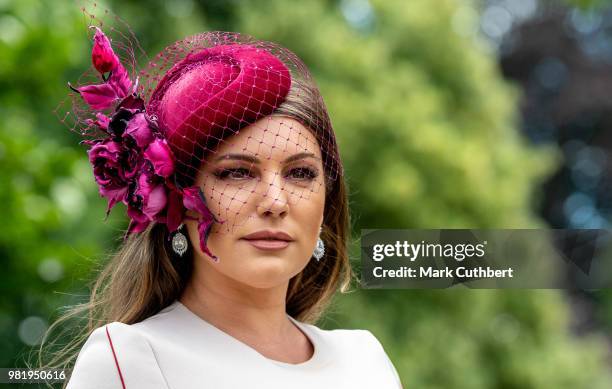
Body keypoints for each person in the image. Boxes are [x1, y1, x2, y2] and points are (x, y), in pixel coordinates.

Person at [50, 21, 402, 389]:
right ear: (176, 197)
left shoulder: (366, 361)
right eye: (236, 173)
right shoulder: (131, 360)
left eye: (300, 173)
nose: (275, 202)